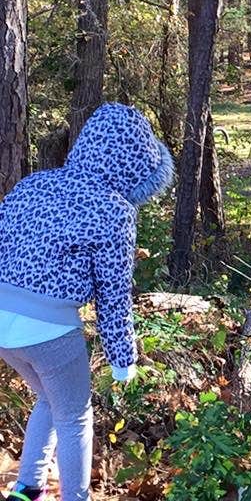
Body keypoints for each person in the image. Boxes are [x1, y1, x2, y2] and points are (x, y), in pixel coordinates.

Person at [0, 104, 174, 501]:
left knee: (49, 398)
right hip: (50, 329)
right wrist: (123, 360)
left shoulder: (35, 184)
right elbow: (113, 295)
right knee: (75, 416)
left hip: (2, 322)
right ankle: (75, 497)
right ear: (136, 167)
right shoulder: (115, 210)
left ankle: (27, 488)